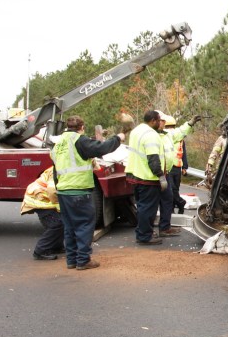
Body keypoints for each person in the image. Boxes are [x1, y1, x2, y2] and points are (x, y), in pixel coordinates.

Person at [50, 115, 124, 270]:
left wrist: (58, 188)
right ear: (81, 128)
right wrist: (118, 138)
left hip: (64, 191)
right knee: (84, 225)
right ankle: (83, 260)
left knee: (69, 227)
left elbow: (56, 169)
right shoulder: (79, 140)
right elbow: (101, 148)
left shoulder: (58, 145)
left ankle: (71, 260)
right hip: (79, 190)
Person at [125, 110, 167, 246]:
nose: (160, 123)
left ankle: (143, 232)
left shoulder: (136, 131)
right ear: (153, 121)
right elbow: (153, 158)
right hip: (147, 177)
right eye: (159, 120)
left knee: (142, 206)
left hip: (135, 174)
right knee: (148, 208)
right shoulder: (151, 135)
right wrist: (160, 175)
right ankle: (144, 236)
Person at [157, 112, 200, 236]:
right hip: (159, 173)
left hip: (171, 170)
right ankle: (153, 229)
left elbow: (181, 136)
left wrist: (190, 123)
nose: (169, 128)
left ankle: (165, 226)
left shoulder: (169, 135)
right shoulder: (154, 136)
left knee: (169, 196)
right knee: (159, 199)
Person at [20, 166, 64, 260]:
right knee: (56, 224)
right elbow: (52, 192)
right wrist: (59, 207)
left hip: (41, 197)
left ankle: (55, 247)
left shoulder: (60, 167)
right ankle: (40, 251)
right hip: (39, 198)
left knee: (60, 223)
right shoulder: (59, 170)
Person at [171, 127, 190, 214]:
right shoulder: (165, 138)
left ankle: (177, 206)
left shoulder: (181, 140)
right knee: (171, 189)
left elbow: (183, 153)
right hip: (168, 167)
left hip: (177, 167)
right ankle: (180, 203)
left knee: (175, 189)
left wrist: (184, 167)